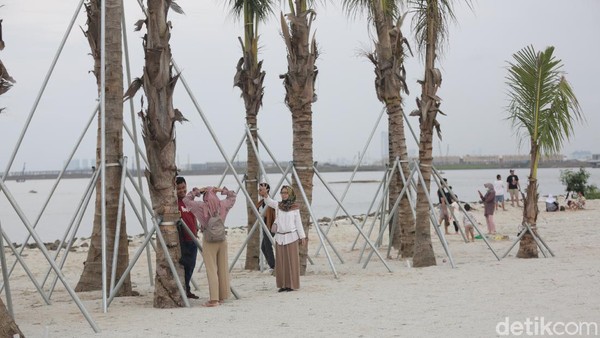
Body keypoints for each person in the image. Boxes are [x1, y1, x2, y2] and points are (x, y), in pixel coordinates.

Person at [183, 186, 237, 307]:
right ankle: (222, 297)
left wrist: (197, 192)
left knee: (211, 270)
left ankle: (214, 300)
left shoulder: (201, 206)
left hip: (209, 240)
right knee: (222, 268)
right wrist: (222, 191)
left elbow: (186, 200)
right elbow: (233, 196)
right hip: (222, 240)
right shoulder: (222, 205)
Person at [258, 184, 307, 292]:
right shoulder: (278, 205)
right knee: (281, 262)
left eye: (285, 193)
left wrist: (302, 236)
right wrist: (265, 194)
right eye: (282, 193)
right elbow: (269, 201)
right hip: (280, 237)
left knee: (291, 262)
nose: (283, 195)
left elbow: (298, 223)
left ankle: (291, 285)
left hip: (292, 237)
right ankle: (283, 285)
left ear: (290, 194)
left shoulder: (295, 207)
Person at [175, 177, 199, 299]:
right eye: (178, 188)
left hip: (193, 238)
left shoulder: (188, 201)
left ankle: (187, 289)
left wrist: (197, 228)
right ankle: (183, 290)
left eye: (183, 187)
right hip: (183, 239)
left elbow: (193, 216)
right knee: (185, 264)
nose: (181, 190)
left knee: (191, 266)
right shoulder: (175, 203)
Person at [256, 183, 276, 270]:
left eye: (261, 189)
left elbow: (271, 213)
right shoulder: (261, 202)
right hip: (264, 224)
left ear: (267, 190)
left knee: (267, 245)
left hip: (270, 224)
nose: (259, 191)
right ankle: (272, 264)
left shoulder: (269, 201)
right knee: (263, 247)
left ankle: (273, 266)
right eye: (259, 189)